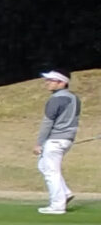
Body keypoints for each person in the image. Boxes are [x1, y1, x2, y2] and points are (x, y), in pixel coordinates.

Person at [37, 69, 79, 214]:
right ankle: (65, 193)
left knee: (51, 172)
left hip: (55, 139)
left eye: (51, 80)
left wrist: (39, 143)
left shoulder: (56, 99)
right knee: (43, 165)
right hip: (67, 139)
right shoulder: (74, 98)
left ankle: (57, 205)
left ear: (62, 83)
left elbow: (47, 123)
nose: (47, 83)